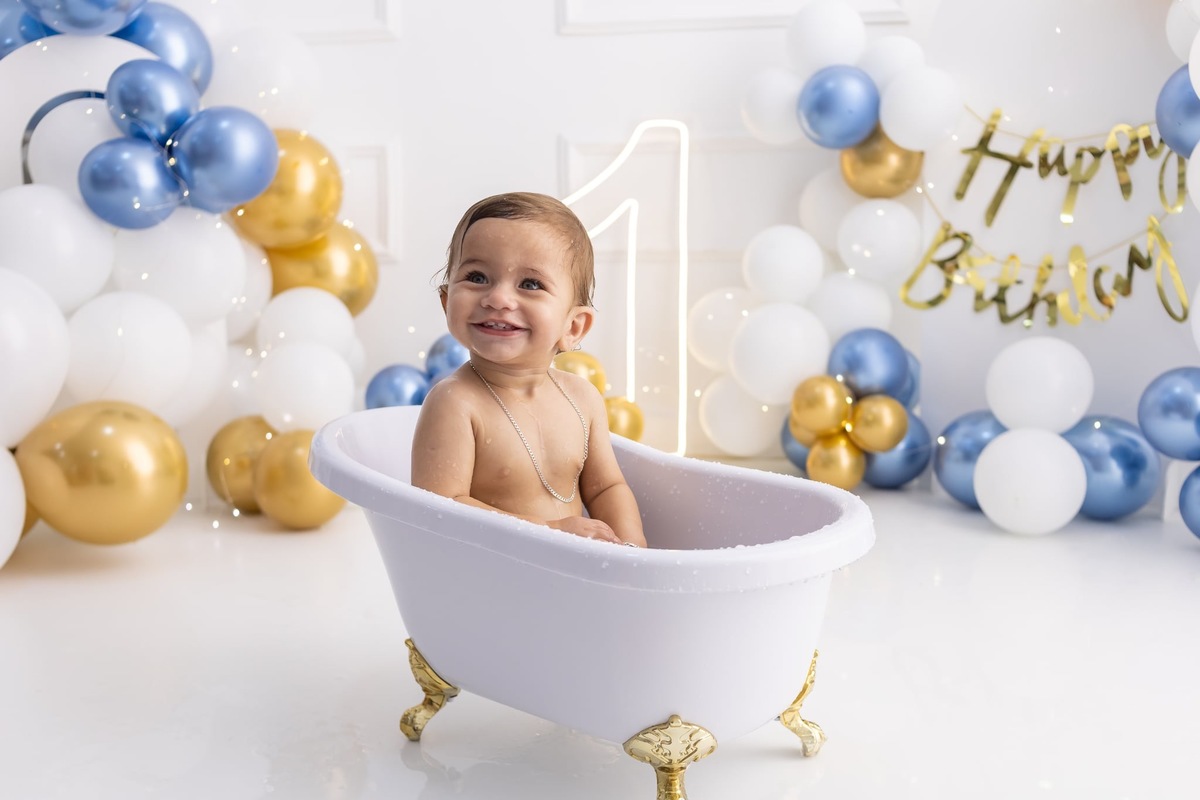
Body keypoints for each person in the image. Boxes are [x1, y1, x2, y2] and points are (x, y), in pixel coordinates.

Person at [411, 192, 647, 548]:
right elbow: (440, 511)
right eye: (477, 276)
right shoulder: (455, 402)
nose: (498, 298)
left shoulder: (582, 398)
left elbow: (607, 488)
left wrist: (632, 548)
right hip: (493, 569)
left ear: (573, 327)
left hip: (576, 567)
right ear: (447, 302)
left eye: (530, 284)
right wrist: (549, 531)